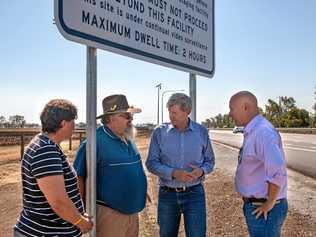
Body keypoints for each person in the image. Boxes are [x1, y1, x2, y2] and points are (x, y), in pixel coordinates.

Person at [14, 99, 93, 237]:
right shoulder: (45, 150)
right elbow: (59, 202)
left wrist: (77, 214)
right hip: (45, 232)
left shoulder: (45, 144)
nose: (75, 126)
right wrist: (81, 222)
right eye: (73, 121)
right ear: (63, 123)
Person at [74, 94, 147, 237]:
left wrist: (140, 189)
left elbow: (131, 169)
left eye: (131, 116)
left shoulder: (127, 139)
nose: (131, 119)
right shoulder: (94, 142)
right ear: (111, 117)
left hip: (132, 212)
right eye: (126, 115)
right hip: (109, 214)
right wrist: (81, 212)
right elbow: (79, 177)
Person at [146, 93, 215, 237]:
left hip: (195, 194)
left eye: (174, 113)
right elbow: (151, 163)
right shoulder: (159, 132)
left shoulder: (201, 132)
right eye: (169, 112)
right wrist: (173, 173)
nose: (171, 116)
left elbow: (210, 161)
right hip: (167, 194)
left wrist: (201, 171)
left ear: (187, 112)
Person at [229, 91, 288, 237]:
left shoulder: (262, 132)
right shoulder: (254, 131)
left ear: (246, 107)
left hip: (264, 208)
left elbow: (277, 171)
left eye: (232, 109)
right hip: (256, 205)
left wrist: (269, 203)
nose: (230, 114)